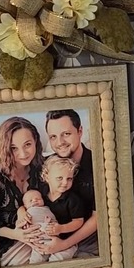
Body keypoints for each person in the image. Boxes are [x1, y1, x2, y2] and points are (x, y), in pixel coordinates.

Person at [30, 109, 99, 259]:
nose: (60, 142)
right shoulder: (47, 166)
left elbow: (98, 217)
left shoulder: (98, 165)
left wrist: (63, 244)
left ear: (79, 131)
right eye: (53, 137)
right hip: (48, 233)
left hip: (86, 239)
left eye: (66, 134)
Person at [0, 116, 45, 267]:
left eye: (27, 144)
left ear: (36, 142)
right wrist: (16, 234)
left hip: (42, 233)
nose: (23, 153)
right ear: (5, 148)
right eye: (14, 148)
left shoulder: (42, 168)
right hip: (8, 242)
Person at [19, 156, 87, 264]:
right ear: (47, 177)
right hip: (43, 237)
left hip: (66, 239)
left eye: (69, 179)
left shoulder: (72, 199)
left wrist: (61, 228)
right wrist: (21, 213)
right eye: (60, 178)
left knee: (58, 259)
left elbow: (78, 221)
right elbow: (25, 203)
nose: (65, 183)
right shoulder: (40, 194)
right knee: (36, 260)